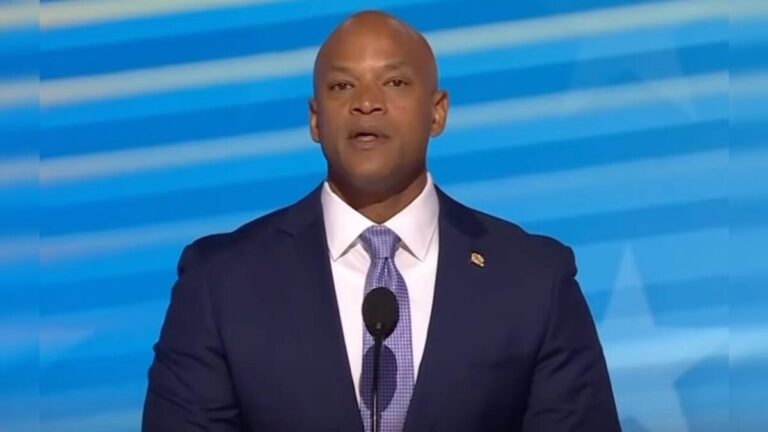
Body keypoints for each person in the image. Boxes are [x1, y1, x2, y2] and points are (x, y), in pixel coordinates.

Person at [142, 10, 621, 432]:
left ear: (437, 113)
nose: (366, 102)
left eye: (394, 83)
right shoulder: (220, 283)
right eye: (342, 86)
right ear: (315, 120)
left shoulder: (533, 280)